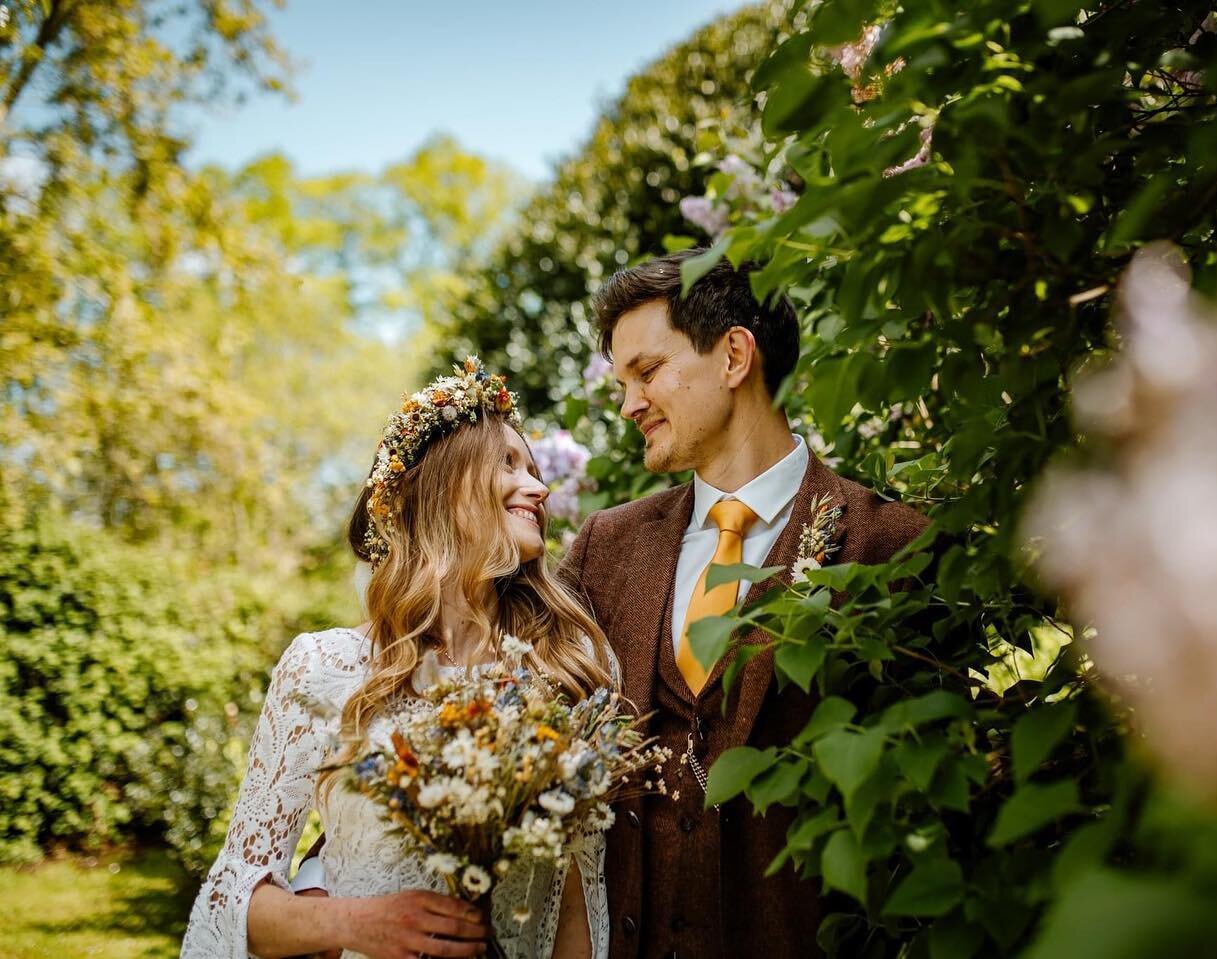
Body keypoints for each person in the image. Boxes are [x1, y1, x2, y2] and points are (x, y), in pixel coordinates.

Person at [180, 359, 616, 959]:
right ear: (437, 489)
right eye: (508, 464)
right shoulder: (323, 666)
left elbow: (581, 903)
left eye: (537, 471)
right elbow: (233, 902)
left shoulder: (569, 666)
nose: (539, 489)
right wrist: (354, 925)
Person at [563, 249, 928, 959]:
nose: (628, 403)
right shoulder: (604, 549)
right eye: (621, 382)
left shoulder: (894, 543)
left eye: (647, 372)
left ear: (734, 356)